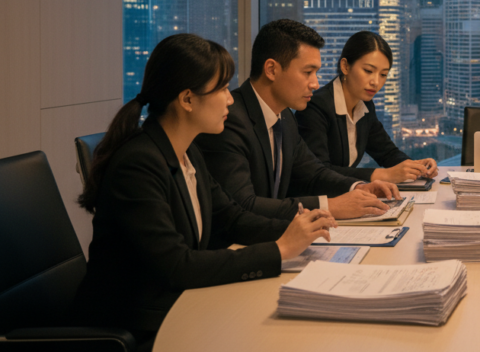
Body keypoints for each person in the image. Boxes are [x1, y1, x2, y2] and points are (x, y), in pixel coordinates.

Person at [73, 34, 334, 348]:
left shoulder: (187, 152)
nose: (230, 99)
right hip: (138, 327)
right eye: (222, 88)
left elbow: (232, 217)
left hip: (180, 308)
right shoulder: (139, 165)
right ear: (187, 99)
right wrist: (280, 250)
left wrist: (297, 232)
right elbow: (178, 266)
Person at [195, 19, 399, 227]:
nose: (315, 83)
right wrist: (329, 206)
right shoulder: (229, 121)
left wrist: (357, 187)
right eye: (307, 72)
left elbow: (313, 172)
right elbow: (242, 205)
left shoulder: (284, 117)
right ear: (272, 70)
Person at [296, 31, 438, 183]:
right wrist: (382, 175)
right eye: (368, 71)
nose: (376, 82)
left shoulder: (365, 105)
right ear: (345, 66)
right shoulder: (315, 108)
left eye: (383, 74)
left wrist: (416, 167)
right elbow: (318, 172)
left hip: (346, 196)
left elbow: (387, 152)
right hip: (315, 202)